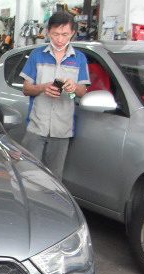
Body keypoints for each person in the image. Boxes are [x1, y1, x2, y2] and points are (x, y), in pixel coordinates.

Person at [19, 12, 90, 180]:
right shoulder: (37, 55)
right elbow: (26, 89)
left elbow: (82, 92)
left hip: (62, 129)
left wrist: (74, 88)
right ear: (48, 32)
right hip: (37, 126)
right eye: (56, 34)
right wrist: (43, 88)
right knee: (29, 175)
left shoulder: (79, 59)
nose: (60, 39)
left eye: (65, 34)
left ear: (73, 33)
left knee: (54, 179)